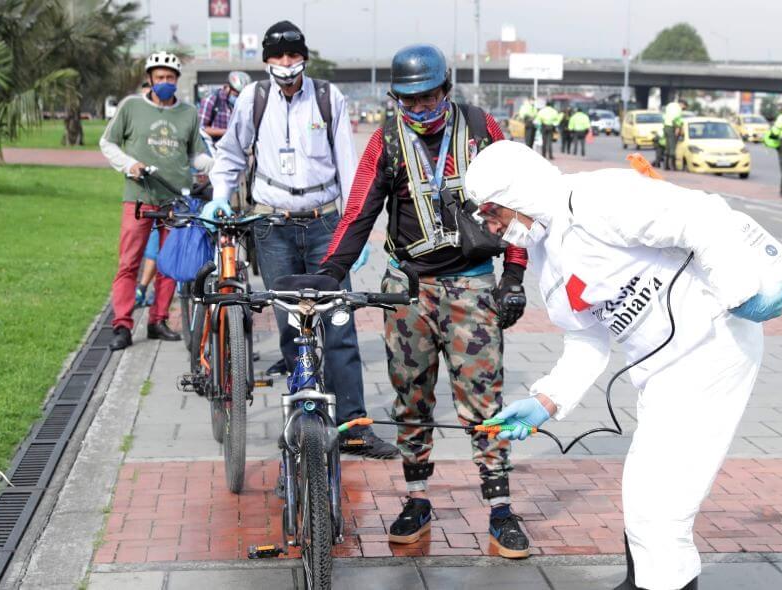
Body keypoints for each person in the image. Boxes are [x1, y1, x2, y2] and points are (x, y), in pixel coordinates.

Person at [464, 140, 782, 590]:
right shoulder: (548, 257)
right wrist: (546, 399)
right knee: (644, 496)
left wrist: (741, 293)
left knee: (661, 512)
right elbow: (585, 338)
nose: (491, 224)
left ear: (518, 194)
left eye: (492, 210)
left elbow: (702, 217)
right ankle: (642, 582)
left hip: (713, 346)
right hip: (663, 371)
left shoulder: (596, 199)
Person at [318, 44, 532, 559]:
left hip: (473, 284)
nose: (418, 110)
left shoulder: (483, 130)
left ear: (446, 89)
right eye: (407, 101)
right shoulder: (387, 140)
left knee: (482, 399)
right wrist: (329, 272)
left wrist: (515, 276)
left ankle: (500, 507)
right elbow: (358, 212)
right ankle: (416, 499)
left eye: (427, 98)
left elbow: (519, 202)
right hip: (408, 288)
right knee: (410, 397)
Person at [206, 21, 395, 458]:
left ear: (304, 57)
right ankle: (301, 418)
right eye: (279, 57)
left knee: (339, 321)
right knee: (292, 323)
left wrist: (356, 229)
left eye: (294, 56)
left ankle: (352, 425)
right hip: (273, 227)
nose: (287, 65)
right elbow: (232, 153)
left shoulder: (329, 98)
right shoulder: (253, 100)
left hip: (326, 223)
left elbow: (351, 167)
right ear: (267, 61)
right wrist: (219, 195)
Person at [100, 51, 203, 351]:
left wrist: (216, 169)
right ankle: (122, 324)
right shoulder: (131, 107)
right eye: (160, 78)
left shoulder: (188, 113)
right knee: (129, 262)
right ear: (150, 79)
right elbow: (107, 142)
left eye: (170, 78)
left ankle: (159, 319)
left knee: (169, 264)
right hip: (139, 199)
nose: (165, 82)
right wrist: (128, 164)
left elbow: (197, 154)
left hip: (175, 200)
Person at [198, 71, 252, 145]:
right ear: (226, 87)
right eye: (236, 94)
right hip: (215, 149)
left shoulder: (243, 104)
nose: (238, 97)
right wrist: (227, 132)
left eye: (241, 95)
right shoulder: (211, 101)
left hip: (236, 149)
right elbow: (201, 129)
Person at [662, 99, 687, 170]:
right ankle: (674, 166)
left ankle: (666, 165)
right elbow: (675, 119)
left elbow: (665, 116)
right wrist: (677, 128)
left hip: (666, 127)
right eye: (684, 107)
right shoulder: (678, 109)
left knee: (668, 147)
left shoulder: (670, 105)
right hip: (671, 128)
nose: (683, 109)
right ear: (682, 104)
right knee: (672, 148)